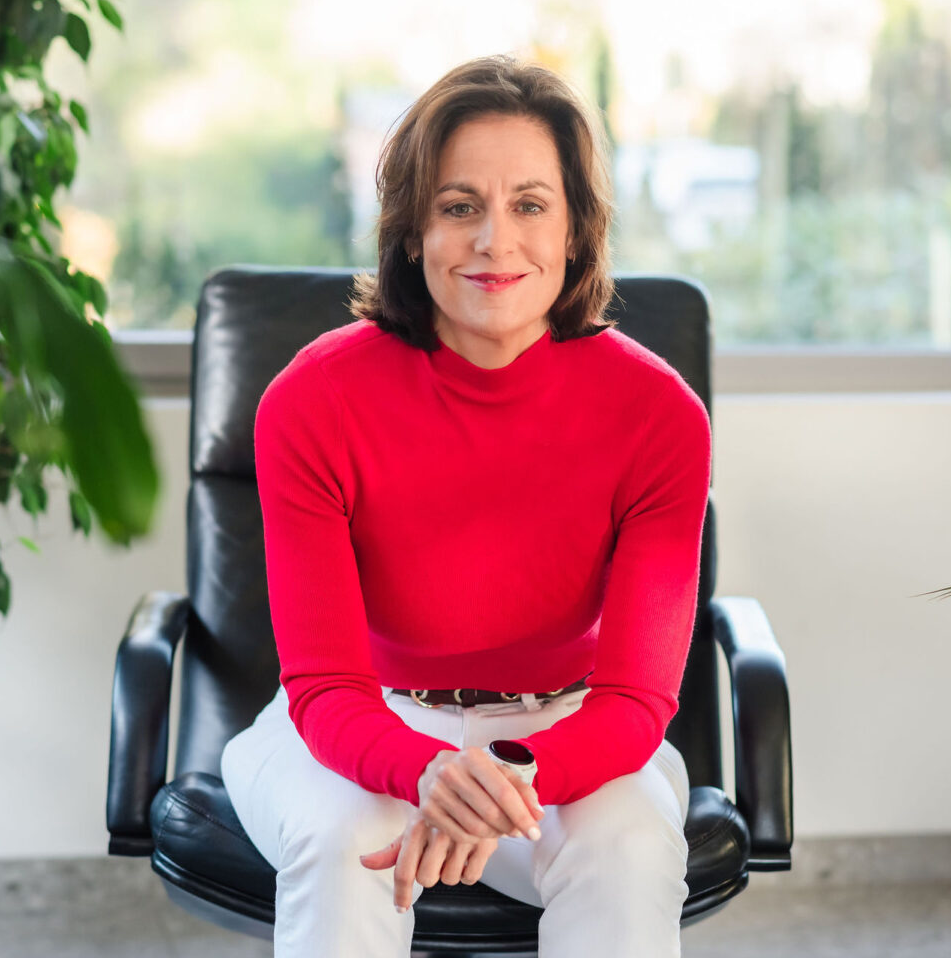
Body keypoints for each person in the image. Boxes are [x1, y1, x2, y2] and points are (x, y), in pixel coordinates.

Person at [220, 54, 711, 958]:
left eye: (530, 205)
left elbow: (636, 699)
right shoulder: (313, 399)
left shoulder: (659, 415)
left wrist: (496, 779)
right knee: (348, 841)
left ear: (577, 231)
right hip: (365, 720)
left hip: (564, 725)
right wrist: (429, 771)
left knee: (631, 848)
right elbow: (327, 688)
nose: (495, 240)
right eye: (458, 207)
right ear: (413, 233)